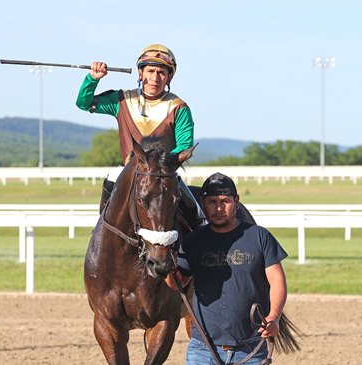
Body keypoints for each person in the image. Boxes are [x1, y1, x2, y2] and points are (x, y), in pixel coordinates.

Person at [76, 44, 203, 226]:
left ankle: (198, 238)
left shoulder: (179, 107)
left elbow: (184, 145)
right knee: (113, 176)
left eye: (161, 73)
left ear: (169, 77)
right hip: (130, 171)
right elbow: (84, 103)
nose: (154, 78)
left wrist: (159, 166)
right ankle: (101, 228)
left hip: (163, 174)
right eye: (150, 71)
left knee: (195, 213)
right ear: (140, 73)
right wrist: (92, 79)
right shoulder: (122, 99)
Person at [170, 172, 288, 365]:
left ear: (237, 201)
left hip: (250, 349)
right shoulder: (192, 242)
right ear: (203, 203)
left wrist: (274, 317)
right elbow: (177, 283)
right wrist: (166, 264)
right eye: (212, 201)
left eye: (225, 201)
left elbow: (277, 281)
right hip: (202, 350)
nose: (219, 208)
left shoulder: (260, 237)